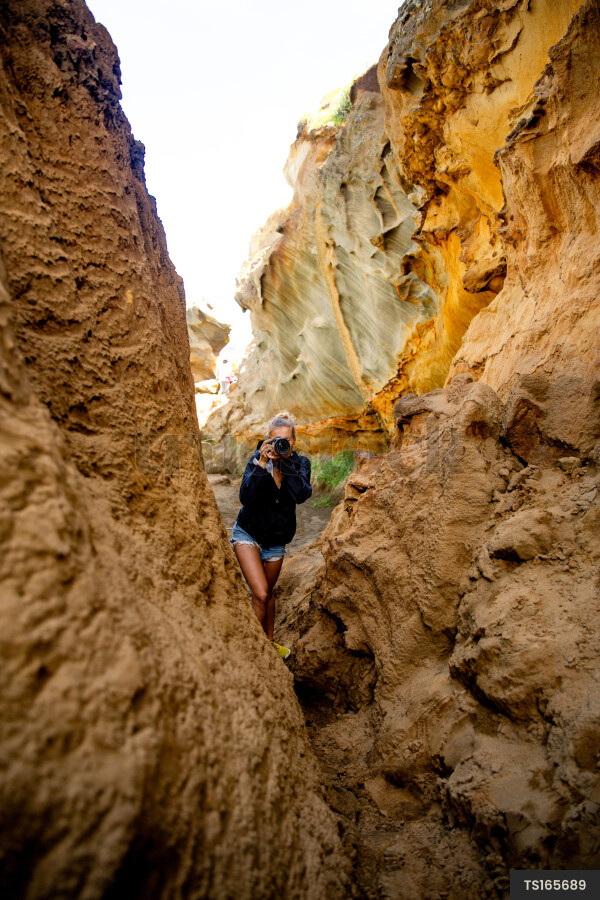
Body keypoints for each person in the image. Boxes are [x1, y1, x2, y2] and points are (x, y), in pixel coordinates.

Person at [230, 410, 312, 659]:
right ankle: (254, 654)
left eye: (285, 440)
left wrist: (283, 463)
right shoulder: (258, 460)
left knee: (268, 592)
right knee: (261, 593)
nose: (281, 444)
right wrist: (263, 463)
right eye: (276, 439)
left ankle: (270, 642)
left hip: (276, 542)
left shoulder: (300, 464)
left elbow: (301, 495)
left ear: (293, 441)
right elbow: (245, 497)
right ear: (268, 440)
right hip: (248, 533)